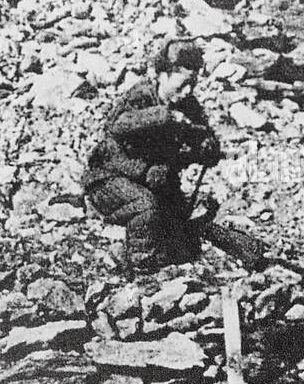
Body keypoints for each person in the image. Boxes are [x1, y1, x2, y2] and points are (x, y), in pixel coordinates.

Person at [82, 38, 224, 271]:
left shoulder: (188, 105)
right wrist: (165, 116)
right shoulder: (140, 97)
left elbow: (203, 136)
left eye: (193, 85)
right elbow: (117, 125)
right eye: (182, 85)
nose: (187, 92)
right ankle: (143, 263)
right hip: (107, 180)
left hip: (153, 182)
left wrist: (207, 148)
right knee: (146, 206)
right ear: (161, 75)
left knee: (179, 223)